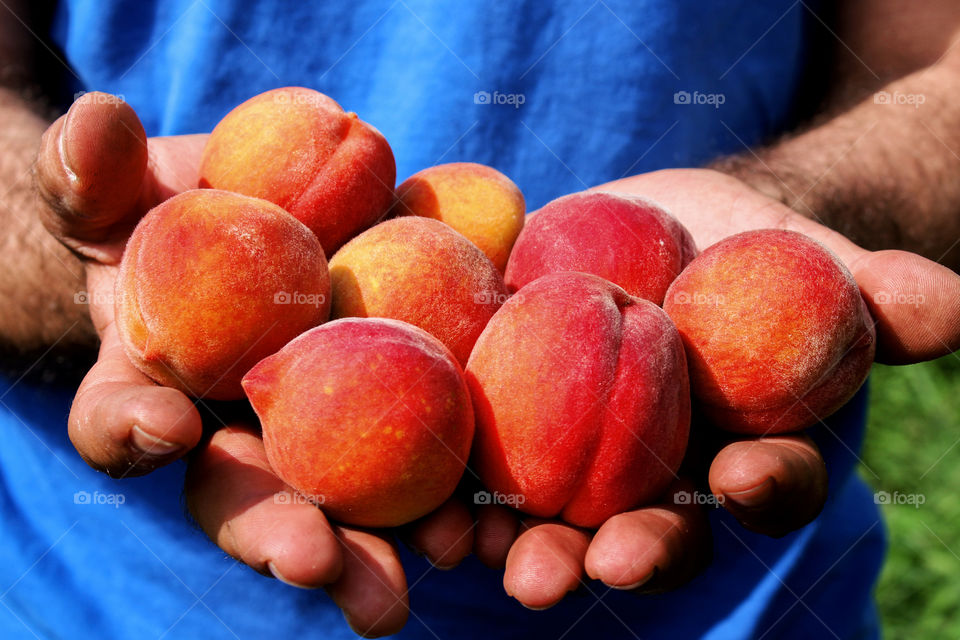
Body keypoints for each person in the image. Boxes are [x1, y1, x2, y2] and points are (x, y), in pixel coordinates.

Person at [1, 0, 959, 637]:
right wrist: (99, 251)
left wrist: (797, 202)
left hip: (748, 609)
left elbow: (934, 70)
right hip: (102, 605)